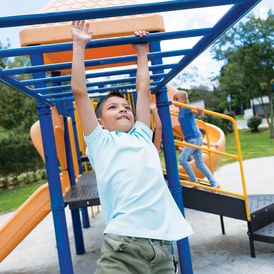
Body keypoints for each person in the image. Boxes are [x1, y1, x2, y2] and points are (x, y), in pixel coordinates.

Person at [71, 20, 192, 274]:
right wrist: (79, 45)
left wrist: (142, 51)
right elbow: (79, 93)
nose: (123, 109)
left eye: (125, 106)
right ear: (101, 122)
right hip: (123, 244)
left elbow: (143, 88)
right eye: (113, 107)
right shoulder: (100, 141)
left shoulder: (141, 135)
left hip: (162, 248)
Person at [173, 90, 220, 188]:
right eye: (174, 99)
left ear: (184, 100)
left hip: (195, 138)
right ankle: (214, 183)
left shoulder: (186, 108)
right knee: (199, 163)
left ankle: (193, 180)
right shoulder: (179, 112)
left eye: (176, 99)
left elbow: (195, 112)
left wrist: (199, 112)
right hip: (192, 139)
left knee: (182, 159)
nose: (174, 101)